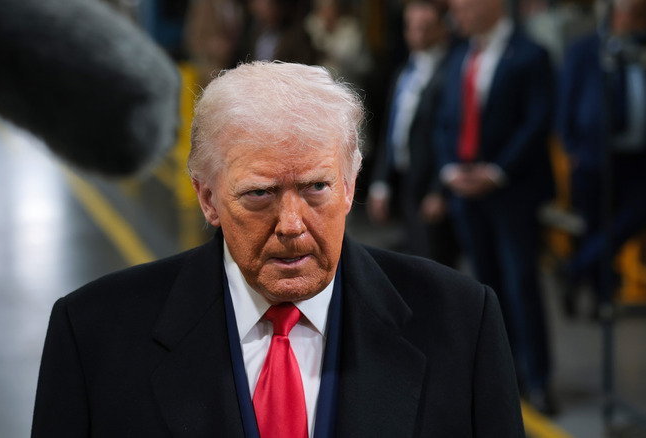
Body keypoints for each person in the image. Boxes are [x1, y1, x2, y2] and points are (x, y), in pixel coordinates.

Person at [32, 61, 524, 437]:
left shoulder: (463, 322)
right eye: (259, 194)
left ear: (350, 185)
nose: (291, 224)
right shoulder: (92, 337)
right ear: (208, 198)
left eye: (316, 187)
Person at [434, 0, 557, 415]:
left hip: (511, 191)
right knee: (486, 289)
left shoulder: (530, 55)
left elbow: (537, 121)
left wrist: (498, 170)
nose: (457, 13)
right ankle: (505, 377)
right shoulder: (459, 56)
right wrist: (450, 169)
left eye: (464, 5)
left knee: (521, 284)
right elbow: (445, 120)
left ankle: (538, 380)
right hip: (467, 192)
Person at [557, 0, 646, 317]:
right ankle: (602, 300)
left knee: (631, 217)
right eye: (633, 13)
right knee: (595, 224)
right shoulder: (586, 50)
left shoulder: (641, 47)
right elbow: (566, 101)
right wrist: (572, 149)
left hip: (638, 157)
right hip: (594, 155)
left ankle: (575, 269)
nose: (638, 20)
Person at [367, 0, 459, 267]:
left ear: (442, 29)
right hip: (405, 179)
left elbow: (451, 135)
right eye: (412, 27)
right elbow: (390, 129)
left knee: (436, 262)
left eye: (425, 27)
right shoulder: (404, 71)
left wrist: (439, 190)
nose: (417, 34)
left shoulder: (452, 71)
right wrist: (381, 182)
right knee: (412, 260)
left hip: (432, 182)